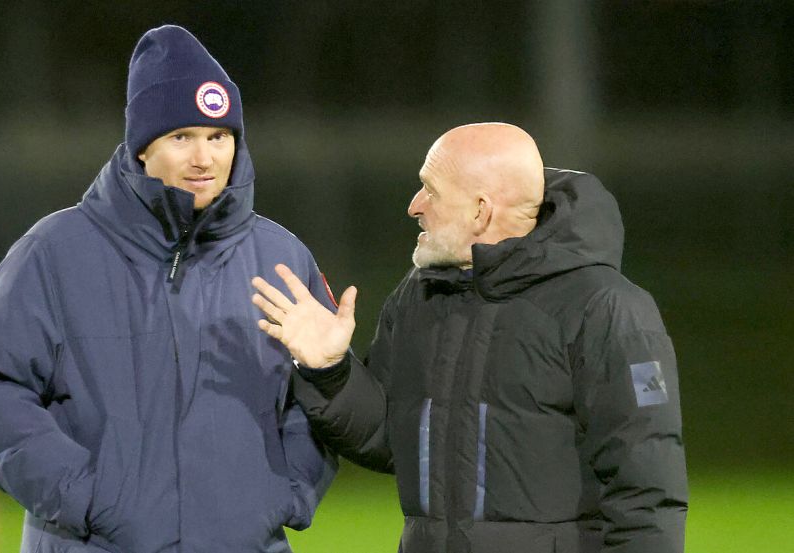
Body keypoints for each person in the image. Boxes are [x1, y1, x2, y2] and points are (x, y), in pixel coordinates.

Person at [0, 25, 336, 553]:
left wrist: (286, 493)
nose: (205, 158)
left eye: (219, 137)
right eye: (182, 137)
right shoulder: (55, 251)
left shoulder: (283, 258)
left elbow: (318, 395)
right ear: (142, 148)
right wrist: (83, 496)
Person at [251, 123, 688, 553]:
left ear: (481, 211)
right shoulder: (420, 295)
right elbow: (393, 441)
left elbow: (646, 491)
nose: (414, 205)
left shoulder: (605, 309)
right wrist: (330, 371)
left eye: (430, 189)